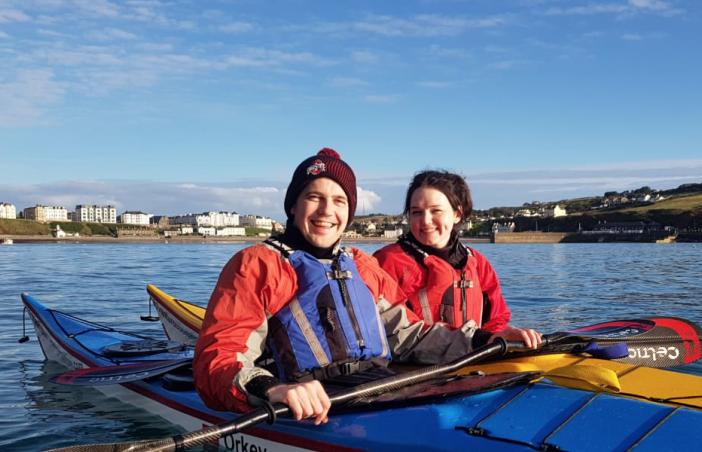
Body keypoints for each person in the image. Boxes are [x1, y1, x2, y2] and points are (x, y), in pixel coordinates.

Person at [194, 149, 498, 424]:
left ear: (348, 213)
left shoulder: (362, 266)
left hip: (380, 385)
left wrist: (481, 340)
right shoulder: (259, 265)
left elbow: (407, 335)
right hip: (311, 405)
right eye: (314, 197)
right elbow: (219, 356)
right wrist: (271, 388)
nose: (327, 211)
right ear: (293, 207)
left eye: (339, 201)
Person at [374, 170, 542, 349]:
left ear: (457, 214)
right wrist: (480, 340)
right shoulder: (386, 262)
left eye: (436, 211)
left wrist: (499, 337)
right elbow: (399, 331)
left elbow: (496, 319)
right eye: (417, 212)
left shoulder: (478, 263)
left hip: (474, 359)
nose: (426, 221)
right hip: (415, 367)